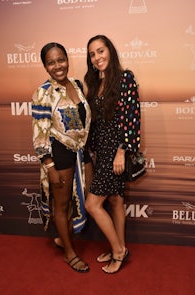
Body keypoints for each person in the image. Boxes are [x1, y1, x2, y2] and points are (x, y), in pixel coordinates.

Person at [31, 42, 92, 273]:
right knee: (63, 204)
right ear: (45, 66)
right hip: (60, 155)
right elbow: (39, 133)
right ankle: (68, 252)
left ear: (68, 59)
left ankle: (64, 240)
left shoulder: (77, 84)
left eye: (61, 60)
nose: (58, 66)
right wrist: (49, 166)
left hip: (81, 152)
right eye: (51, 62)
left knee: (83, 200)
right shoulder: (43, 92)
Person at [84, 35, 141, 274]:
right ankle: (120, 245)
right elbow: (96, 122)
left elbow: (132, 117)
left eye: (101, 51)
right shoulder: (96, 82)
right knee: (116, 201)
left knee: (92, 204)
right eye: (92, 54)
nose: (97, 58)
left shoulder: (125, 78)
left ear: (110, 51)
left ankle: (119, 252)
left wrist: (121, 152)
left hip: (117, 150)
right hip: (103, 150)